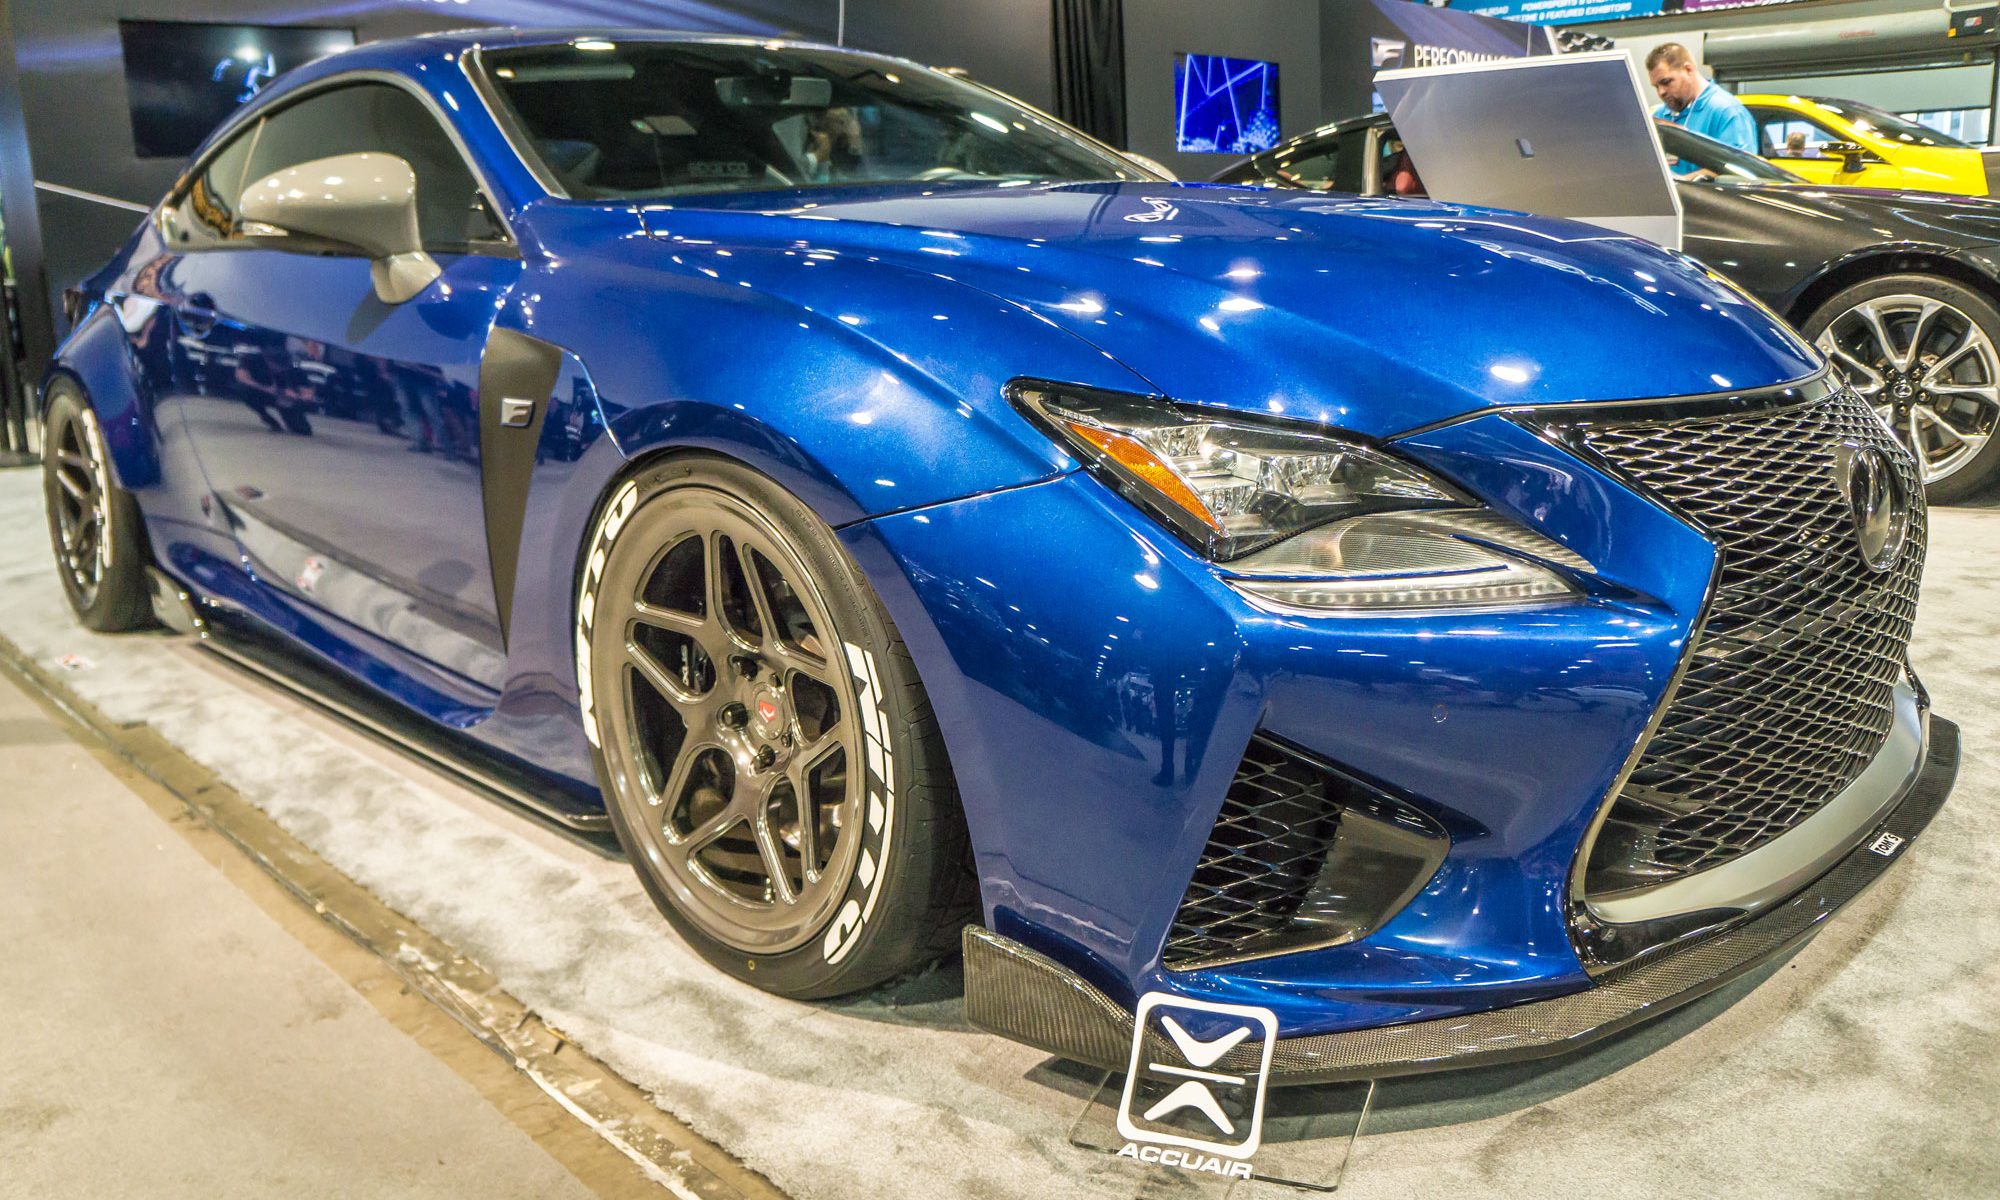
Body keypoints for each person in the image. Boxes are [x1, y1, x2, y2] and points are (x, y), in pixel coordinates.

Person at [1646, 43, 1757, 173]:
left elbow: (1739, 171)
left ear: (1688, 70)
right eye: (1656, 86)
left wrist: (1683, 182)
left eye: (1666, 82)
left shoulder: (1727, 112)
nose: (1661, 92)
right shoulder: (1661, 116)